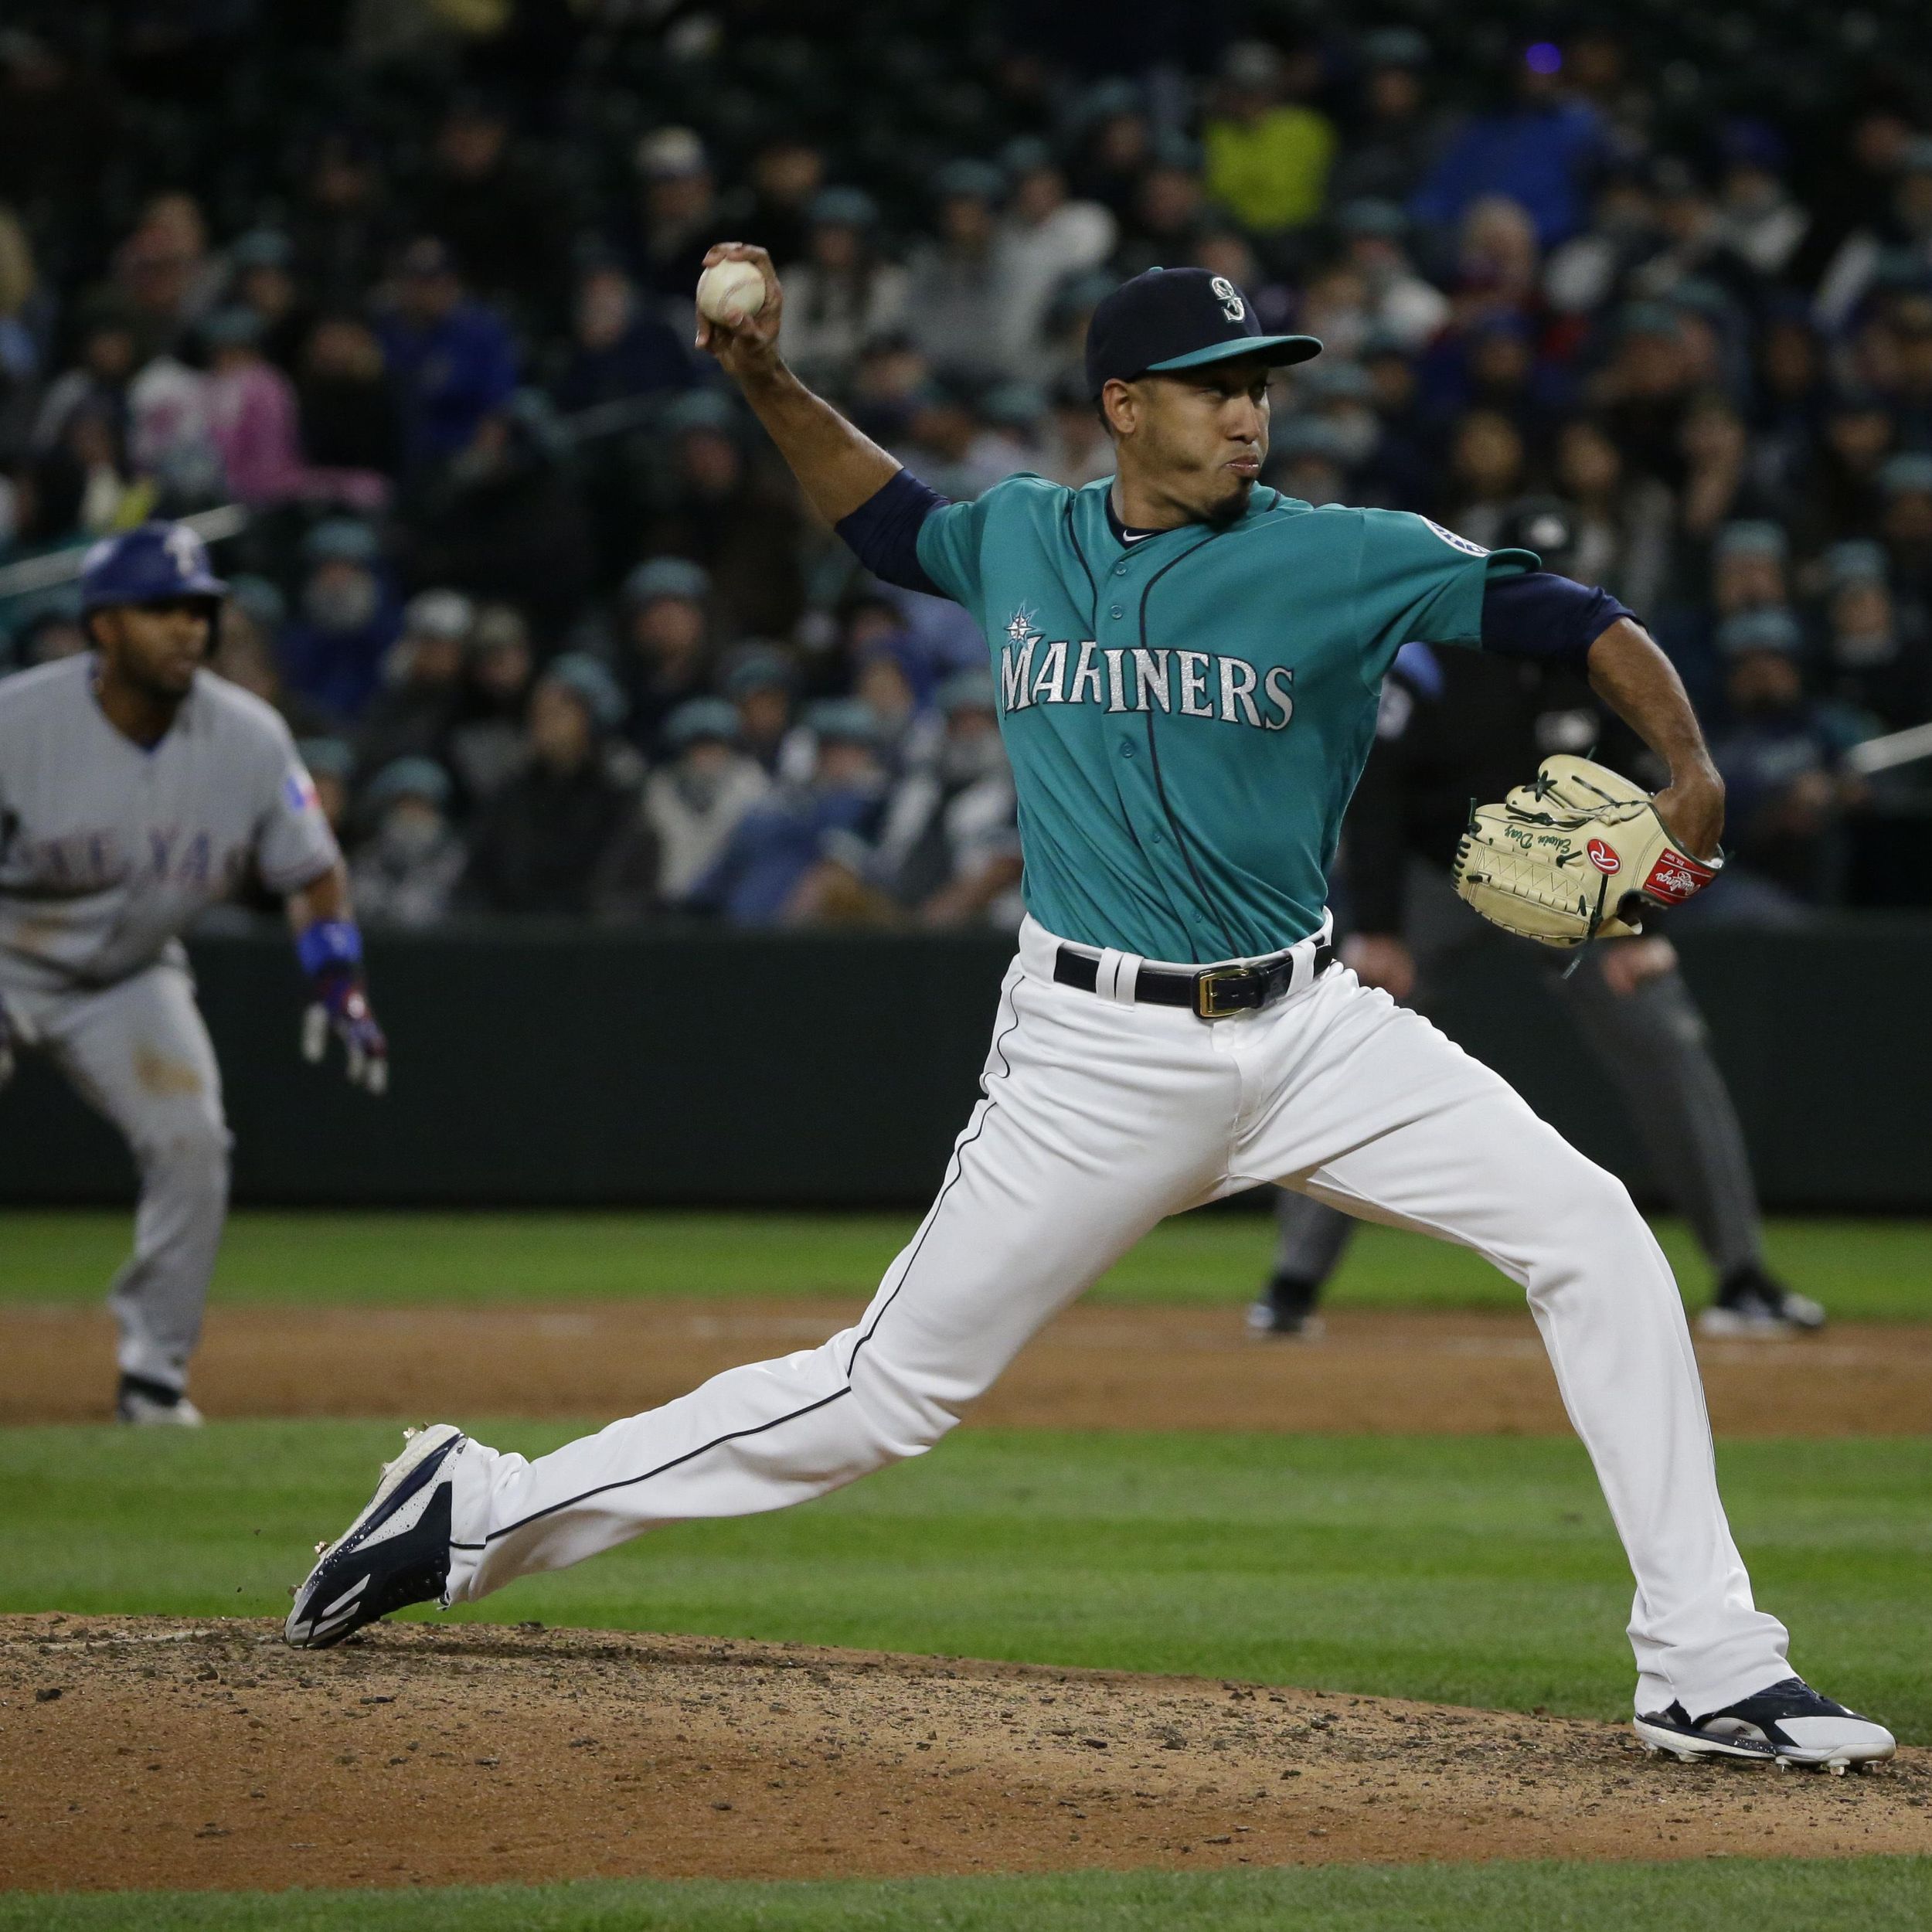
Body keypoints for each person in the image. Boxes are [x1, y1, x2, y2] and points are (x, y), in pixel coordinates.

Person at [286, 253, 1894, 1777]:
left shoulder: (1337, 553)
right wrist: (764, 375)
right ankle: (477, 1504)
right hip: (1090, 1052)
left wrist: (1680, 764)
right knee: (881, 1395)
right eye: (1210, 385)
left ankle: (1703, 1656)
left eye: (1258, 381)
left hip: (1312, 1028)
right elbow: (878, 518)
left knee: (1591, 1228)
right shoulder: (1019, 539)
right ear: (1122, 403)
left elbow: (1569, 614)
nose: (1247, 410)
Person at [1251, 501, 1826, 1343]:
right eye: (1531, 577)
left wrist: (1647, 927)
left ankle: (1740, 1272)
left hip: (1563, 882)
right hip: (1430, 873)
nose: (1543, 599)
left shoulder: (1602, 666)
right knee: (1348, 1047)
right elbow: (1376, 794)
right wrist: (1377, 927)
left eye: (1557, 578)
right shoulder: (1431, 658)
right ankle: (1292, 1280)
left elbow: (1646, 802)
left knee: (1665, 1038)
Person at [0, 522, 386, 1425]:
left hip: (132, 974)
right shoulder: (18, 722)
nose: (186, 628)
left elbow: (312, 870)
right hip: (7, 953)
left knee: (193, 1140)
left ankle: (154, 1373)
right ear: (103, 626)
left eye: (198, 610)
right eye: (160, 610)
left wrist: (339, 978)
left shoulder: (250, 738)